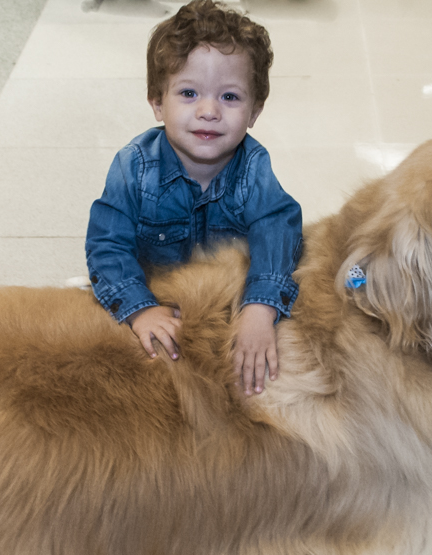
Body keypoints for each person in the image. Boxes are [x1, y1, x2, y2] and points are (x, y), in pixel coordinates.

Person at [86, 0, 302, 396]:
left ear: (255, 110)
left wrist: (260, 306)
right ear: (157, 102)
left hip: (224, 308)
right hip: (152, 299)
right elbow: (107, 244)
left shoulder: (253, 166)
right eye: (188, 93)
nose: (208, 111)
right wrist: (139, 307)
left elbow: (278, 227)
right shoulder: (133, 167)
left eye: (230, 98)